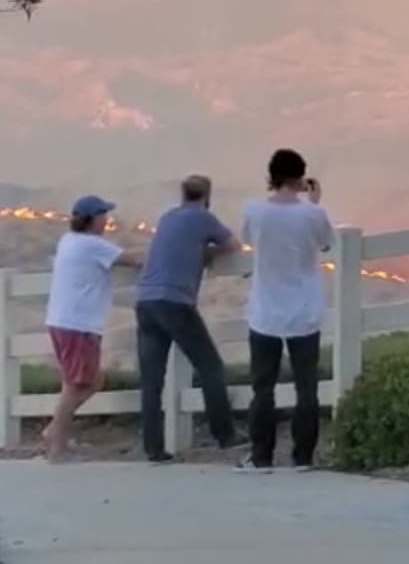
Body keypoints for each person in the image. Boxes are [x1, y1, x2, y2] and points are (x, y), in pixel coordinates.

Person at [134, 175, 245, 463]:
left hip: (145, 301)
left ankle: (153, 447)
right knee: (210, 366)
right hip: (175, 302)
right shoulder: (203, 218)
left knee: (151, 379)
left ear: (182, 194)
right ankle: (224, 434)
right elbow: (234, 245)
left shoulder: (168, 217)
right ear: (207, 196)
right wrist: (209, 251)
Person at [236, 149, 333, 473]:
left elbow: (248, 238)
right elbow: (326, 243)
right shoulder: (312, 214)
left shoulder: (254, 211)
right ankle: (302, 457)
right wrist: (315, 202)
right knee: (307, 388)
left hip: (264, 312)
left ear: (271, 175)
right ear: (301, 177)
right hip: (305, 311)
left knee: (262, 389)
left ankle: (261, 456)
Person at [43, 195, 144, 461]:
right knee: (78, 385)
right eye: (103, 215)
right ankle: (56, 446)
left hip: (63, 320)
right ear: (92, 219)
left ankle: (55, 432)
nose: (107, 219)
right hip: (78, 324)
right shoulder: (92, 245)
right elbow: (131, 260)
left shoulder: (69, 241)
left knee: (86, 381)